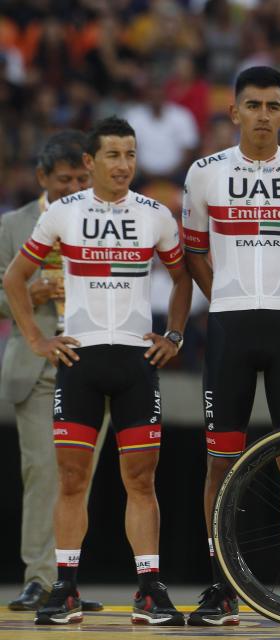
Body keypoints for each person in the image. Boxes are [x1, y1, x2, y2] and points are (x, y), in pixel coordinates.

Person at [2, 116, 192, 625]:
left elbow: (182, 278)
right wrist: (38, 339)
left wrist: (174, 335)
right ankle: (63, 587)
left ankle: (149, 589)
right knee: (70, 479)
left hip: (135, 361)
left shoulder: (156, 214)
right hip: (79, 361)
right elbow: (15, 278)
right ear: (91, 162)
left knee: (142, 479)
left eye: (130, 155)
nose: (124, 165)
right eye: (113, 155)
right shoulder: (63, 213)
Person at [181, 65, 280, 626]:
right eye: (254, 105)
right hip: (228, 327)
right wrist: (221, 294)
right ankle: (221, 582)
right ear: (234, 111)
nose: (263, 115)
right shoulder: (204, 173)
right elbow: (192, 249)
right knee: (221, 461)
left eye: (273, 106)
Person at [0, 131, 105, 613]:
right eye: (65, 180)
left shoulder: (106, 217)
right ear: (43, 177)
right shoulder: (14, 225)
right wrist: (31, 293)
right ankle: (40, 579)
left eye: (82, 177)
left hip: (92, 361)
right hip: (39, 362)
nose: (74, 186)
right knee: (43, 473)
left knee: (79, 479)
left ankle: (69, 584)